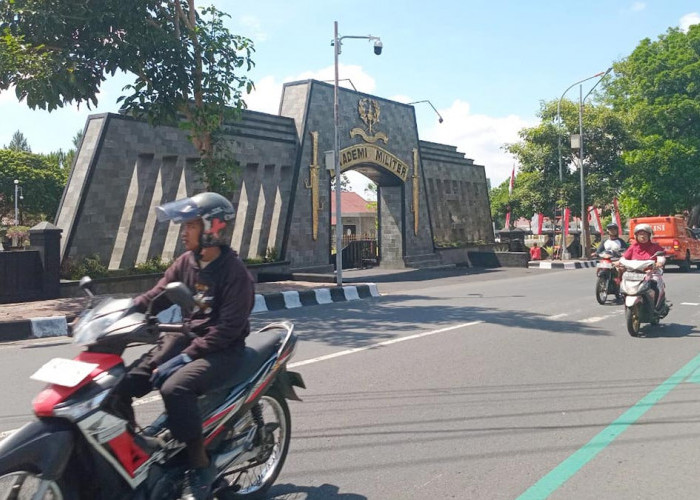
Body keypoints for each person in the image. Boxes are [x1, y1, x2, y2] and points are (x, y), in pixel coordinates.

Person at [113, 192, 255, 500]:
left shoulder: (234, 273)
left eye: (190, 225)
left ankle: (200, 465)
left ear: (212, 228)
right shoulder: (186, 263)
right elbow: (155, 296)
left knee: (174, 388)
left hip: (223, 350)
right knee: (124, 382)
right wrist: (117, 313)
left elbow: (228, 329)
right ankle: (137, 452)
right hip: (189, 337)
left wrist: (185, 357)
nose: (183, 232)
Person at [619, 223, 669, 310]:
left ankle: (656, 307)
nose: (642, 236)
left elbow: (661, 257)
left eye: (645, 234)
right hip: (634, 273)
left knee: (654, 285)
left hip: (651, 272)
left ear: (649, 235)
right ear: (636, 236)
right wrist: (618, 262)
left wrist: (659, 262)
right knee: (624, 285)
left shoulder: (655, 246)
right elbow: (624, 257)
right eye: (640, 234)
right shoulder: (633, 247)